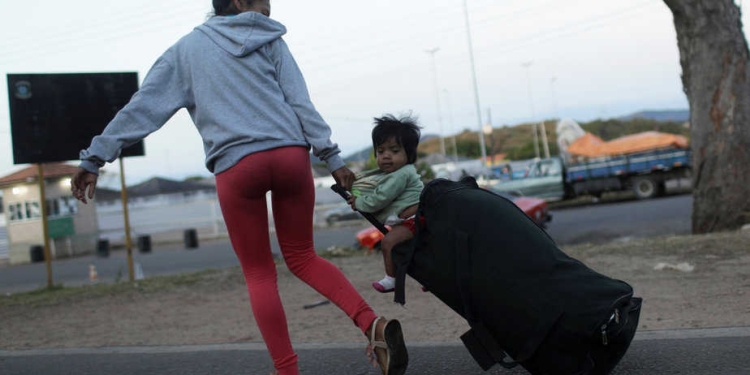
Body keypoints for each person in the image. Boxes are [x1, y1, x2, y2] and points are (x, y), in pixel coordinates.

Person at [69, 1, 407, 374]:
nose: (269, 6)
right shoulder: (270, 39)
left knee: (260, 274)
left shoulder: (186, 51)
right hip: (290, 157)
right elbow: (300, 102)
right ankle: (370, 324)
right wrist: (332, 158)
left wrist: (94, 159)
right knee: (303, 258)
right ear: (239, 3)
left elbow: (143, 108)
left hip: (237, 166)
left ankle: (287, 370)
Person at [347, 115, 424, 293]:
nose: (386, 156)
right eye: (381, 151)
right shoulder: (390, 174)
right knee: (417, 250)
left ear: (409, 154)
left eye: (394, 151)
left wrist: (360, 202)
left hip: (415, 219)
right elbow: (369, 187)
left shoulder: (402, 174)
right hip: (410, 219)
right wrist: (357, 194)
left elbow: (381, 197)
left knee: (388, 243)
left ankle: (392, 280)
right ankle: (432, 278)